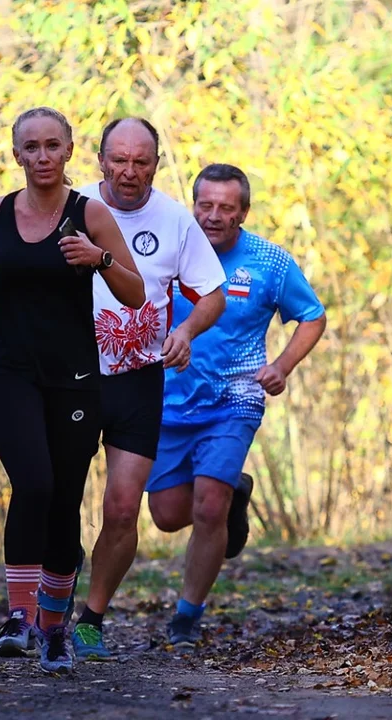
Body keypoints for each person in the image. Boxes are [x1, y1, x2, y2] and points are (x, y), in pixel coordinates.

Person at [0, 107, 145, 673]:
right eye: (31, 148)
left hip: (71, 375)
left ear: (69, 151)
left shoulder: (89, 213)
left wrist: (101, 259)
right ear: (16, 154)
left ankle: (53, 628)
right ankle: (19, 617)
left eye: (52, 146)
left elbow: (136, 292)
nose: (42, 157)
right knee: (35, 481)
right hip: (4, 369)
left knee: (64, 495)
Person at [147, 163, 326, 649]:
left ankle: (186, 616)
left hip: (236, 396)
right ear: (193, 205)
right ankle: (234, 496)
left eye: (226, 208)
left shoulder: (269, 261)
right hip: (167, 400)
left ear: (243, 212)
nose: (214, 216)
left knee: (209, 505)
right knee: (165, 514)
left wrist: (283, 366)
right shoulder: (169, 250)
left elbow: (311, 317)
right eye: (205, 205)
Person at [68, 118, 227, 660]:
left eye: (142, 161)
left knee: (121, 507)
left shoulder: (175, 220)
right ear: (99, 159)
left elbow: (212, 294)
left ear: (156, 163)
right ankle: (45, 601)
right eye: (119, 159)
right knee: (57, 500)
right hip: (71, 378)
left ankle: (91, 617)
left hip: (138, 378)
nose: (129, 172)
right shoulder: (72, 205)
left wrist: (183, 330)